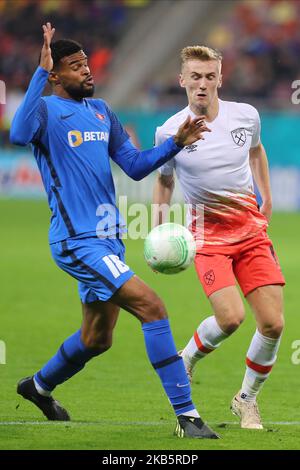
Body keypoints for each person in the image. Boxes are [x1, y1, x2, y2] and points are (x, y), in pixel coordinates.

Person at [10, 24, 219, 439]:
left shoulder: (102, 111)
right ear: (54, 74)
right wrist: (40, 71)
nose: (87, 71)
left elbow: (136, 164)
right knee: (153, 307)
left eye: (87, 63)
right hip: (76, 240)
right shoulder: (46, 112)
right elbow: (17, 134)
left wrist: (176, 142)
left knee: (97, 338)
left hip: (108, 239)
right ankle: (188, 416)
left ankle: (36, 387)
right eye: (75, 66)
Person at [153, 45, 285, 430]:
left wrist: (268, 195)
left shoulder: (246, 116)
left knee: (274, 324)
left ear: (220, 79)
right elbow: (164, 181)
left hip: (251, 234)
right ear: (182, 80)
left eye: (210, 76)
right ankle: (188, 358)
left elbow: (257, 153)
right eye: (195, 76)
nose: (202, 84)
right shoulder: (170, 130)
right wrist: (160, 227)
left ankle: (246, 400)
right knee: (230, 318)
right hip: (208, 239)